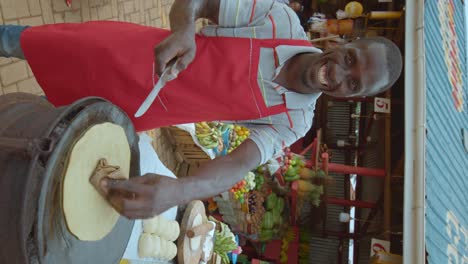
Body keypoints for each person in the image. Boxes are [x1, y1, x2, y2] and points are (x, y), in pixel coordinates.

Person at [0, 0, 402, 219]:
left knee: (49, 122)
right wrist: (182, 30)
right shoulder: (276, 19)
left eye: (353, 83)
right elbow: (199, 2)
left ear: (352, 97)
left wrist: (181, 190)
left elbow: (239, 162)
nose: (338, 73)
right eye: (350, 59)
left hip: (134, 111)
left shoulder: (295, 120)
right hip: (119, 54)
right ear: (346, 44)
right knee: (28, 43)